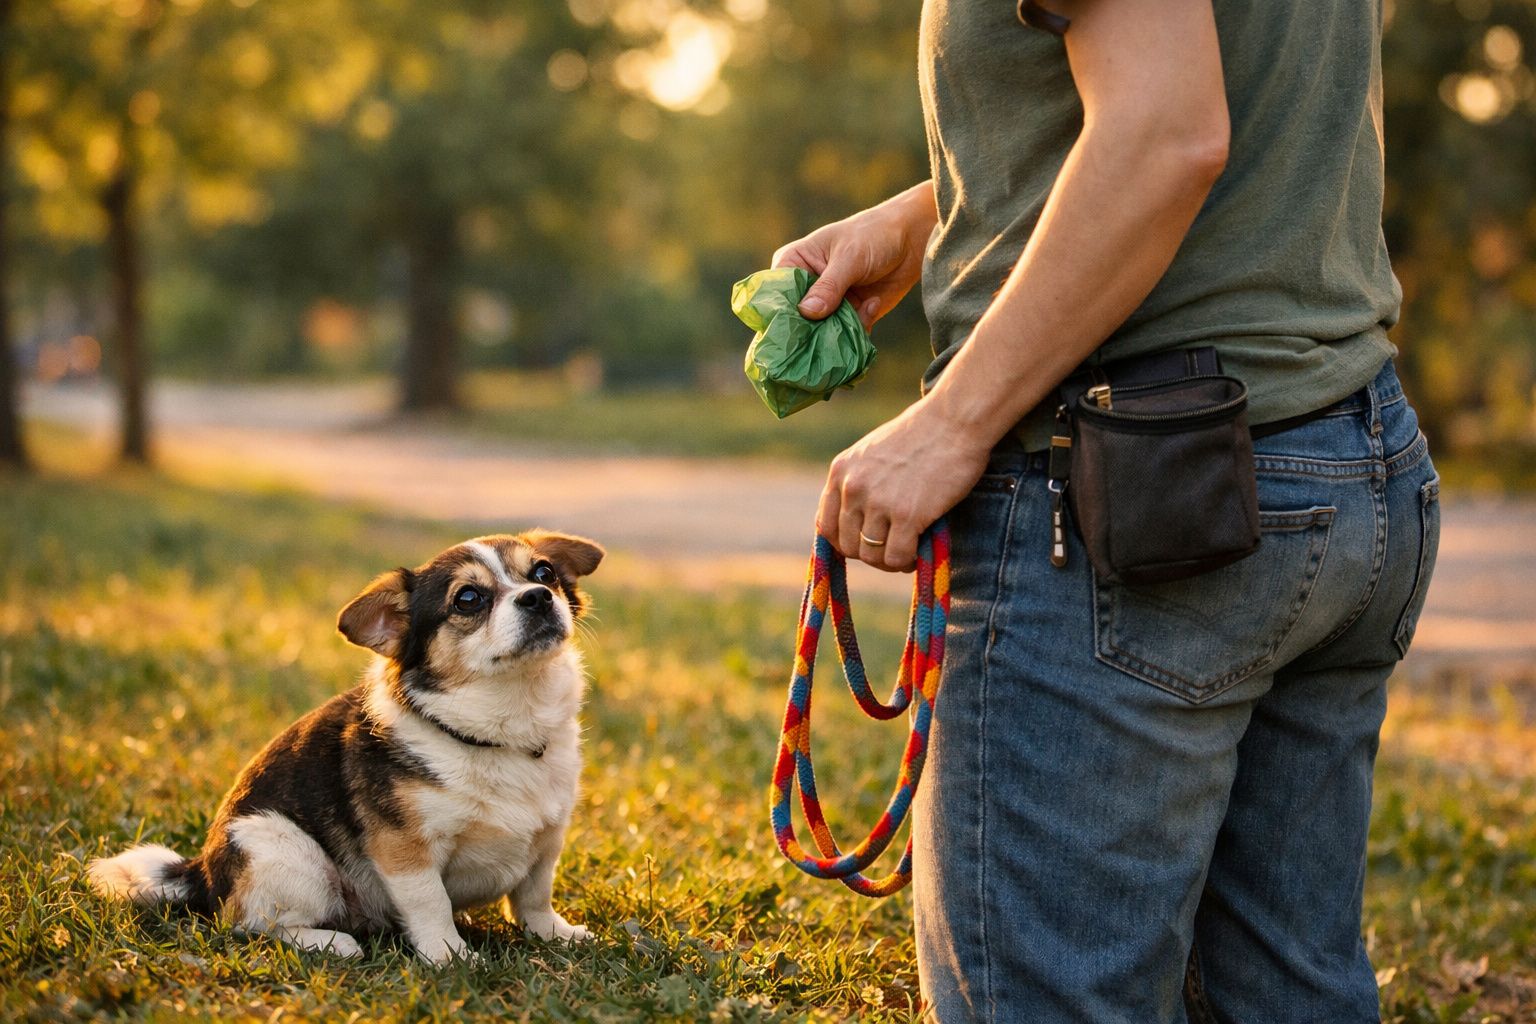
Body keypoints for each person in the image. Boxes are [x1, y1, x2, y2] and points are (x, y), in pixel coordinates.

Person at [770, 0, 1440, 1020]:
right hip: (1345, 451)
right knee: (1285, 993)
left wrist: (953, 421)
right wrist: (935, 218)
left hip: (1132, 491)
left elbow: (1169, 134)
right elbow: (1262, 87)